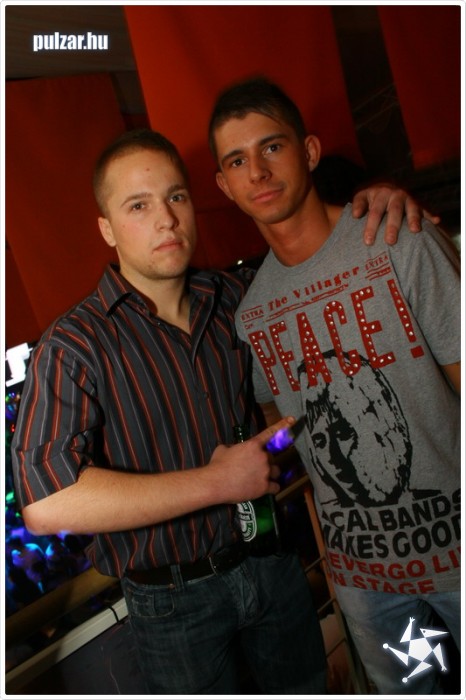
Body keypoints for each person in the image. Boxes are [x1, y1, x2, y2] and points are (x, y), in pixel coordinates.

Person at [11, 127, 427, 694]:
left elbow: (312, 258)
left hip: (272, 563)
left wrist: (373, 200)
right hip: (171, 602)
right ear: (107, 228)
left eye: (176, 197)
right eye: (138, 205)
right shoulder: (75, 344)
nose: (166, 219)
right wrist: (217, 483)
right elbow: (47, 503)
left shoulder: (235, 297)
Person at [209, 76, 460, 695]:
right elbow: (291, 437)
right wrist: (237, 465)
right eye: (237, 161)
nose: (257, 172)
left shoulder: (396, 239)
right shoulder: (253, 313)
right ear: (223, 186)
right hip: (368, 583)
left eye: (272, 147)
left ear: (310, 151)